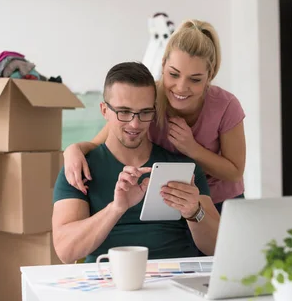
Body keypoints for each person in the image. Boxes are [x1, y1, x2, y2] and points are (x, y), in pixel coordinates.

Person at [63, 19, 246, 214]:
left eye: (195, 79)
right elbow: (99, 144)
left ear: (209, 76)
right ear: (163, 64)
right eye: (173, 74)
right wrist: (72, 150)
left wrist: (191, 148)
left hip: (219, 202)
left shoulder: (226, 106)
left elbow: (234, 172)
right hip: (164, 202)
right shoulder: (148, 98)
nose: (181, 87)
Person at [52, 62, 220, 264]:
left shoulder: (182, 167)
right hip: (111, 281)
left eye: (144, 112)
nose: (135, 124)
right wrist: (116, 208)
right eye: (123, 112)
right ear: (104, 110)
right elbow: (66, 251)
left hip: (176, 280)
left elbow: (217, 248)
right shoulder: (81, 169)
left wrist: (194, 212)